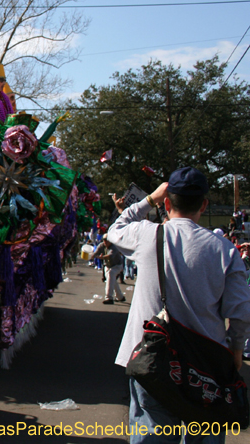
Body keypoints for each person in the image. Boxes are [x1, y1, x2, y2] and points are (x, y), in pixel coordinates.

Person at [109, 167, 250, 442]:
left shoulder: (147, 235)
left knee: (153, 433)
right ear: (204, 204)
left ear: (167, 203)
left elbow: (116, 229)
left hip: (153, 358)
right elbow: (240, 311)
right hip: (207, 364)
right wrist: (235, 349)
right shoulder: (225, 250)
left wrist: (148, 199)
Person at [92, 235, 125, 304]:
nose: (105, 242)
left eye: (107, 240)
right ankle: (120, 297)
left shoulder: (114, 247)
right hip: (108, 265)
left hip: (117, 265)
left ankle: (109, 298)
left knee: (111, 275)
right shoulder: (102, 245)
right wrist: (92, 256)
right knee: (112, 280)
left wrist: (102, 257)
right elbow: (96, 252)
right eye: (104, 240)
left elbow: (109, 256)